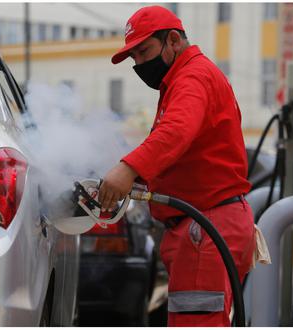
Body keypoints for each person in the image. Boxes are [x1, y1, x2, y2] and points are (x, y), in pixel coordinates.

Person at [98, 6, 255, 327]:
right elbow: (185, 154)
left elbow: (177, 131)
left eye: (144, 52)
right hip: (209, 226)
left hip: (206, 229)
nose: (140, 64)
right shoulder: (186, 78)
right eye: (134, 59)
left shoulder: (192, 77)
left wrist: (127, 169)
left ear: (173, 40)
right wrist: (138, 180)